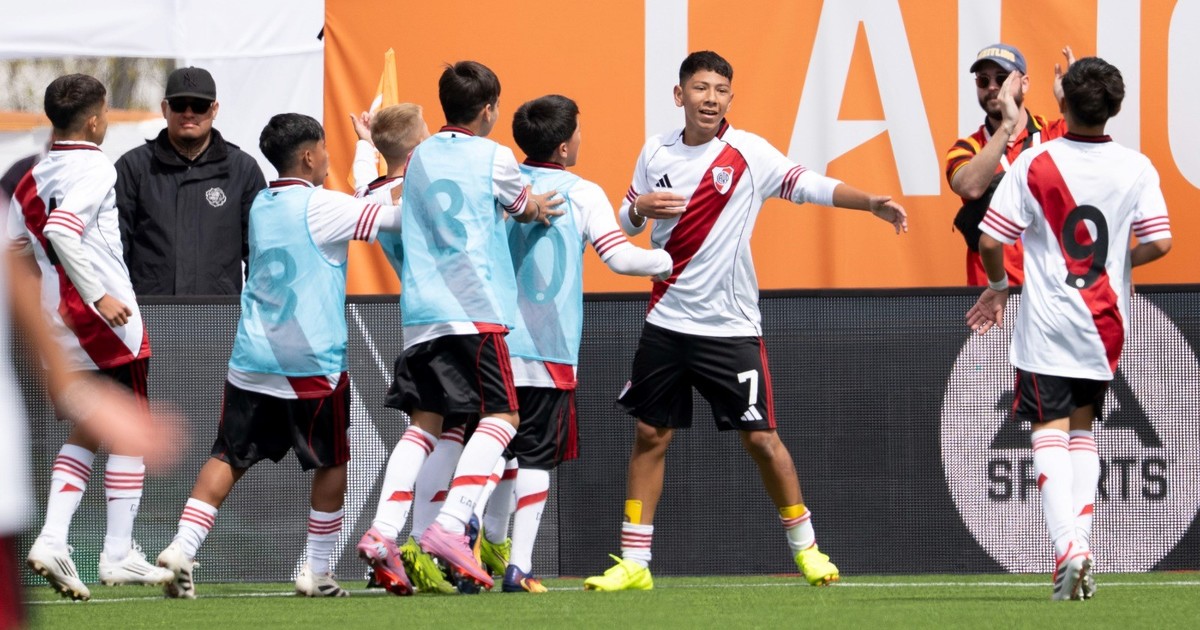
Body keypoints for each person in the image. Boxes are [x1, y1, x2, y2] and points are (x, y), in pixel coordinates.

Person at [584, 51, 907, 592]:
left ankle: (808, 550)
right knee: (650, 434)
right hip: (666, 320)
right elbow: (626, 220)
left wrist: (869, 201)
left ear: (730, 98)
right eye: (700, 88)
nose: (710, 99)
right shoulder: (655, 150)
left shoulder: (749, 153)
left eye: (720, 91)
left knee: (761, 439)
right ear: (679, 94)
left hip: (729, 328)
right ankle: (635, 562)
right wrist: (638, 209)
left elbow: (808, 184)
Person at [154, 113, 402, 599]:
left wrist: (363, 147)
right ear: (309, 156)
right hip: (311, 363)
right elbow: (393, 215)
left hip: (253, 358)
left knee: (228, 455)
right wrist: (392, 161)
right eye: (324, 149)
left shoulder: (262, 204)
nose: (327, 158)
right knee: (333, 461)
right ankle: (317, 570)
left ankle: (182, 547)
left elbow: (357, 208)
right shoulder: (322, 206)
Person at [966, 56, 1172, 601]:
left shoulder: (1036, 163)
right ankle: (1081, 545)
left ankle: (1068, 548)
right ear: (1115, 108)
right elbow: (1160, 241)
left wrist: (998, 285)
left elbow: (990, 240)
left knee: (1047, 433)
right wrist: (1119, 266)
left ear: (1064, 103)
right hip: (1105, 323)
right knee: (1082, 432)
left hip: (1048, 321)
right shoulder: (1137, 167)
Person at [355, 60, 560, 594]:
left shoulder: (417, 159)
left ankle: (382, 531)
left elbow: (381, 196)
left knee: (427, 426)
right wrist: (537, 206)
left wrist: (364, 146)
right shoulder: (494, 156)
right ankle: (450, 524)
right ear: (488, 110)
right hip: (475, 312)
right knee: (504, 417)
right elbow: (522, 206)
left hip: (422, 317)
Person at [476, 94, 674, 593]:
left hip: (491, 345)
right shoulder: (582, 193)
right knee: (534, 457)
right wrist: (668, 262)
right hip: (548, 349)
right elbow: (621, 259)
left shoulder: (498, 184)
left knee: (493, 449)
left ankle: (471, 544)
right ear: (564, 147)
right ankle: (520, 566)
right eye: (579, 132)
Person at [6, 74, 173, 601]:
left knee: (91, 426)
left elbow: (15, 250)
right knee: (130, 428)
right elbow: (61, 229)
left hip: (60, 322)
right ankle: (116, 552)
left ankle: (55, 537)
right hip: (107, 321)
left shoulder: (30, 176)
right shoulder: (97, 165)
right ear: (97, 120)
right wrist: (99, 295)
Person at [115, 66, 266, 296]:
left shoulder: (243, 170)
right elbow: (114, 247)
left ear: (214, 109)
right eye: (179, 105)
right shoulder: (133, 167)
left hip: (219, 311)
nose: (188, 113)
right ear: (165, 108)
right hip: (150, 310)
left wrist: (258, 309)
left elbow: (259, 254)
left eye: (199, 105)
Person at [946, 44, 1071, 287]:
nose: (993, 87)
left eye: (1002, 78)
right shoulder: (967, 148)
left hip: (1053, 294)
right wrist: (1006, 126)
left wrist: (1070, 103)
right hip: (994, 294)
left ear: (1024, 83)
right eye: (983, 80)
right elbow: (969, 187)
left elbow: (1095, 151)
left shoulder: (1056, 133)